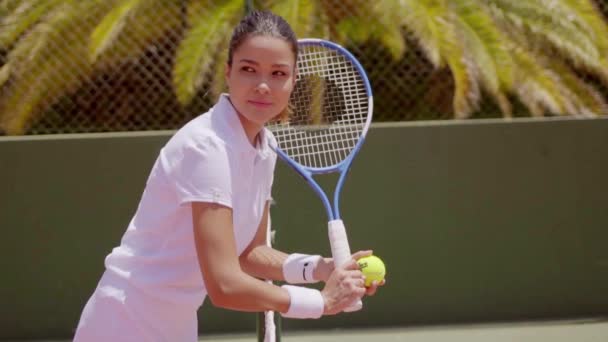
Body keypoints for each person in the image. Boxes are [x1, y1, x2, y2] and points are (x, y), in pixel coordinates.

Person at [73, 10, 383, 342]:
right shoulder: (206, 147)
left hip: (175, 323)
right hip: (125, 319)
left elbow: (248, 254)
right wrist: (319, 302)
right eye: (249, 69)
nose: (263, 85)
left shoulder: (265, 146)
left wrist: (320, 268)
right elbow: (224, 284)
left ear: (293, 81)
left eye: (278, 73)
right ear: (228, 73)